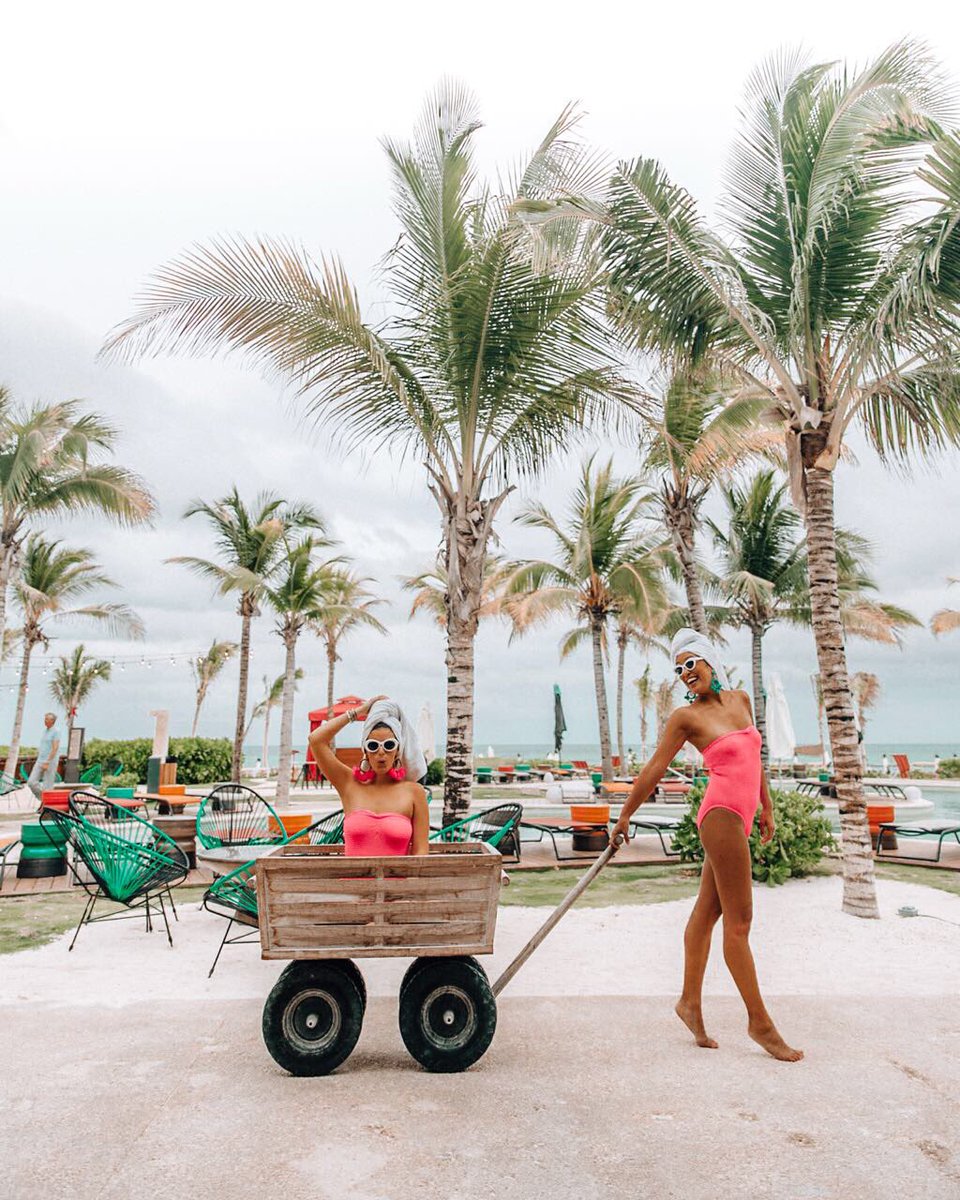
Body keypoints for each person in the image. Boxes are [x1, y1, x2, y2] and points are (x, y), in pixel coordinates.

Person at [611, 629, 803, 1063]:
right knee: (740, 924)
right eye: (678, 669)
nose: (684, 674)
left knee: (707, 912)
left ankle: (689, 1004)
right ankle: (760, 1024)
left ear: (710, 660)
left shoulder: (741, 702)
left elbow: (756, 761)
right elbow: (655, 768)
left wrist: (767, 807)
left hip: (745, 812)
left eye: (689, 663)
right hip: (720, 818)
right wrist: (624, 815)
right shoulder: (686, 717)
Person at [308, 695, 429, 856]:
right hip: (352, 881)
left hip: (397, 880)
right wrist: (359, 712)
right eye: (372, 745)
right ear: (365, 750)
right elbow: (316, 740)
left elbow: (421, 851)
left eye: (389, 745)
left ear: (398, 750)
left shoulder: (414, 792)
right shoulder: (349, 784)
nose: (381, 752)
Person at [27, 713, 62, 799]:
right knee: (31, 782)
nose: (45, 721)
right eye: (45, 719)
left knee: (48, 785)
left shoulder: (56, 731)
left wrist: (48, 761)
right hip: (40, 760)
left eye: (47, 719)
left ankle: (46, 806)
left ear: (52, 721)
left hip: (50, 761)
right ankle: (43, 799)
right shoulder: (45, 731)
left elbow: (55, 748)